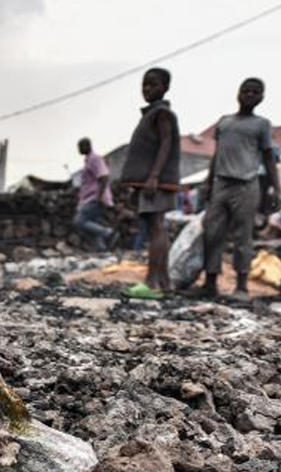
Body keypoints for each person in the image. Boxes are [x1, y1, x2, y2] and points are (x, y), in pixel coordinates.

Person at [196, 78, 280, 300]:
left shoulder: (262, 124)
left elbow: (269, 158)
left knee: (243, 237)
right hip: (221, 184)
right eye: (246, 91)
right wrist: (207, 181)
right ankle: (210, 282)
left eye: (255, 92)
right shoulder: (224, 122)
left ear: (261, 97)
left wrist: (276, 190)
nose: (249, 95)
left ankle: (241, 287)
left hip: (246, 186)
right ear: (238, 93)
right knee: (212, 234)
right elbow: (217, 155)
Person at [117, 67, 181, 300]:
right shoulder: (150, 114)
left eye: (153, 85)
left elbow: (166, 144)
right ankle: (164, 283)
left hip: (156, 181)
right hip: (150, 181)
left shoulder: (162, 113)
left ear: (165, 88)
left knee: (156, 227)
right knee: (156, 226)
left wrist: (154, 176)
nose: (147, 89)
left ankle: (152, 283)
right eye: (144, 84)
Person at [73, 138, 117, 251]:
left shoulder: (95, 159)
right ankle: (101, 248)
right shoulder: (88, 161)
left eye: (80, 147)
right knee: (92, 224)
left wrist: (99, 196)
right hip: (88, 198)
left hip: (93, 198)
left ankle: (108, 233)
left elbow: (104, 176)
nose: (79, 150)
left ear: (87, 146)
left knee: (79, 221)